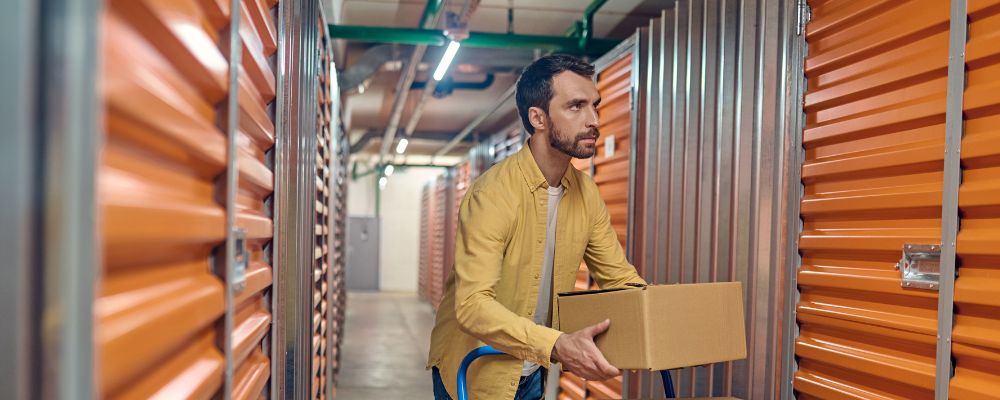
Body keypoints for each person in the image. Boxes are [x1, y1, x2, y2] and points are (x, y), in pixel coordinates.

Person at [427, 54, 647, 400]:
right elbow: (472, 305)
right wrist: (557, 344)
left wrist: (660, 317)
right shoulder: (493, 194)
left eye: (595, 105)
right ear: (538, 118)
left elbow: (620, 281)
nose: (593, 120)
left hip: (533, 368)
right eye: (576, 106)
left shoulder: (586, 194)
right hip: (476, 371)